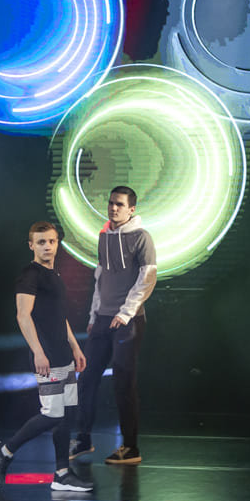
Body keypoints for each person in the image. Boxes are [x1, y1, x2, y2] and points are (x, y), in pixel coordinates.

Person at [0, 222, 91, 491]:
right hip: (46, 356)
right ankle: (5, 451)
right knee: (52, 414)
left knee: (67, 414)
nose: (47, 246)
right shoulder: (30, 275)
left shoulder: (53, 275)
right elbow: (22, 316)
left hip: (63, 354)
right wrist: (38, 352)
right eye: (41, 242)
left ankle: (61, 474)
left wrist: (75, 347)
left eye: (51, 241)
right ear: (31, 245)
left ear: (57, 243)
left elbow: (59, 317)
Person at [70, 186, 156, 465]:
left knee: (123, 383)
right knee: (87, 378)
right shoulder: (104, 236)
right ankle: (83, 439)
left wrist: (126, 312)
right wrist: (94, 316)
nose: (113, 208)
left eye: (119, 204)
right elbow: (101, 278)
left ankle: (131, 448)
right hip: (103, 318)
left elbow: (147, 278)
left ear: (132, 209)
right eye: (111, 203)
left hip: (128, 321)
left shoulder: (141, 237)